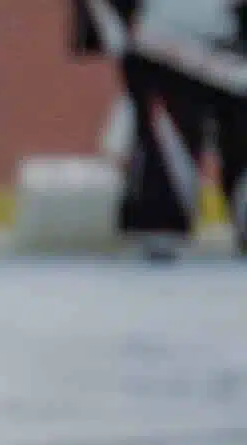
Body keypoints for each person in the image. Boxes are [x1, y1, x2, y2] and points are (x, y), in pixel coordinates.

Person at [79, 0, 247, 257]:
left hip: (229, 36)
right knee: (167, 139)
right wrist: (119, 27)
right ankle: (161, 215)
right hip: (158, 35)